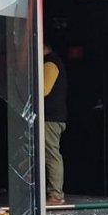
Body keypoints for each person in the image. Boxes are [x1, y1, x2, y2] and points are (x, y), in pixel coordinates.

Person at [43, 43, 68, 206]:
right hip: (54, 117)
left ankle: (56, 194)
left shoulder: (50, 63)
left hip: (51, 118)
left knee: (51, 153)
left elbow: (43, 89)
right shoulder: (54, 62)